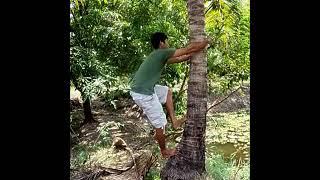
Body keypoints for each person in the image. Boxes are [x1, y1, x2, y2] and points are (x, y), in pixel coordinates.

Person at [130, 32, 209, 158]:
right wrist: (205, 43)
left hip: (142, 89)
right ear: (162, 42)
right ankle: (164, 151)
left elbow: (179, 58)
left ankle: (175, 122)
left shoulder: (158, 56)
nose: (168, 43)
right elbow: (188, 49)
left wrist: (193, 54)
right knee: (160, 123)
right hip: (143, 93)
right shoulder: (161, 53)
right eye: (167, 41)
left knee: (167, 91)